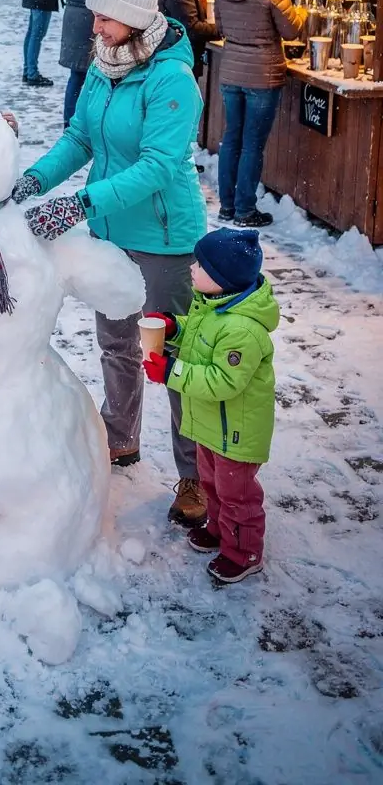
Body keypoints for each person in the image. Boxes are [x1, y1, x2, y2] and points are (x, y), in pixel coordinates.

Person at [12, 0, 209, 527]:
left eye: (103, 16)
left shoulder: (172, 79)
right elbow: (79, 138)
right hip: (110, 231)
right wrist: (28, 182)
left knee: (172, 357)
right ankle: (120, 434)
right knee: (117, 344)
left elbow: (158, 166)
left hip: (162, 237)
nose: (92, 24)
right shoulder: (104, 63)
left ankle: (194, 476)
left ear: (137, 19)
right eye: (93, 15)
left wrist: (77, 203)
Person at [143, 227, 278, 584]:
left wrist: (170, 370)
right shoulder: (213, 307)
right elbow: (198, 334)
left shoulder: (243, 331)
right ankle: (219, 531)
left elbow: (223, 380)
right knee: (213, 486)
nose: (191, 267)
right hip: (211, 427)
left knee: (238, 495)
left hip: (236, 430)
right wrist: (175, 329)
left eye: (200, 265)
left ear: (222, 279)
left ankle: (244, 552)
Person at [214, 0, 306, 229]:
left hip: (231, 71)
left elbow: (221, 26)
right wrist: (302, 12)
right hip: (262, 76)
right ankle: (244, 210)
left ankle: (228, 207)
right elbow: (291, 31)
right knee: (252, 143)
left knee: (231, 138)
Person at [59, 0, 110, 126]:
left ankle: (69, 120)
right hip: (90, 21)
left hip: (72, 18)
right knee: (93, 74)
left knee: (77, 75)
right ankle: (85, 122)